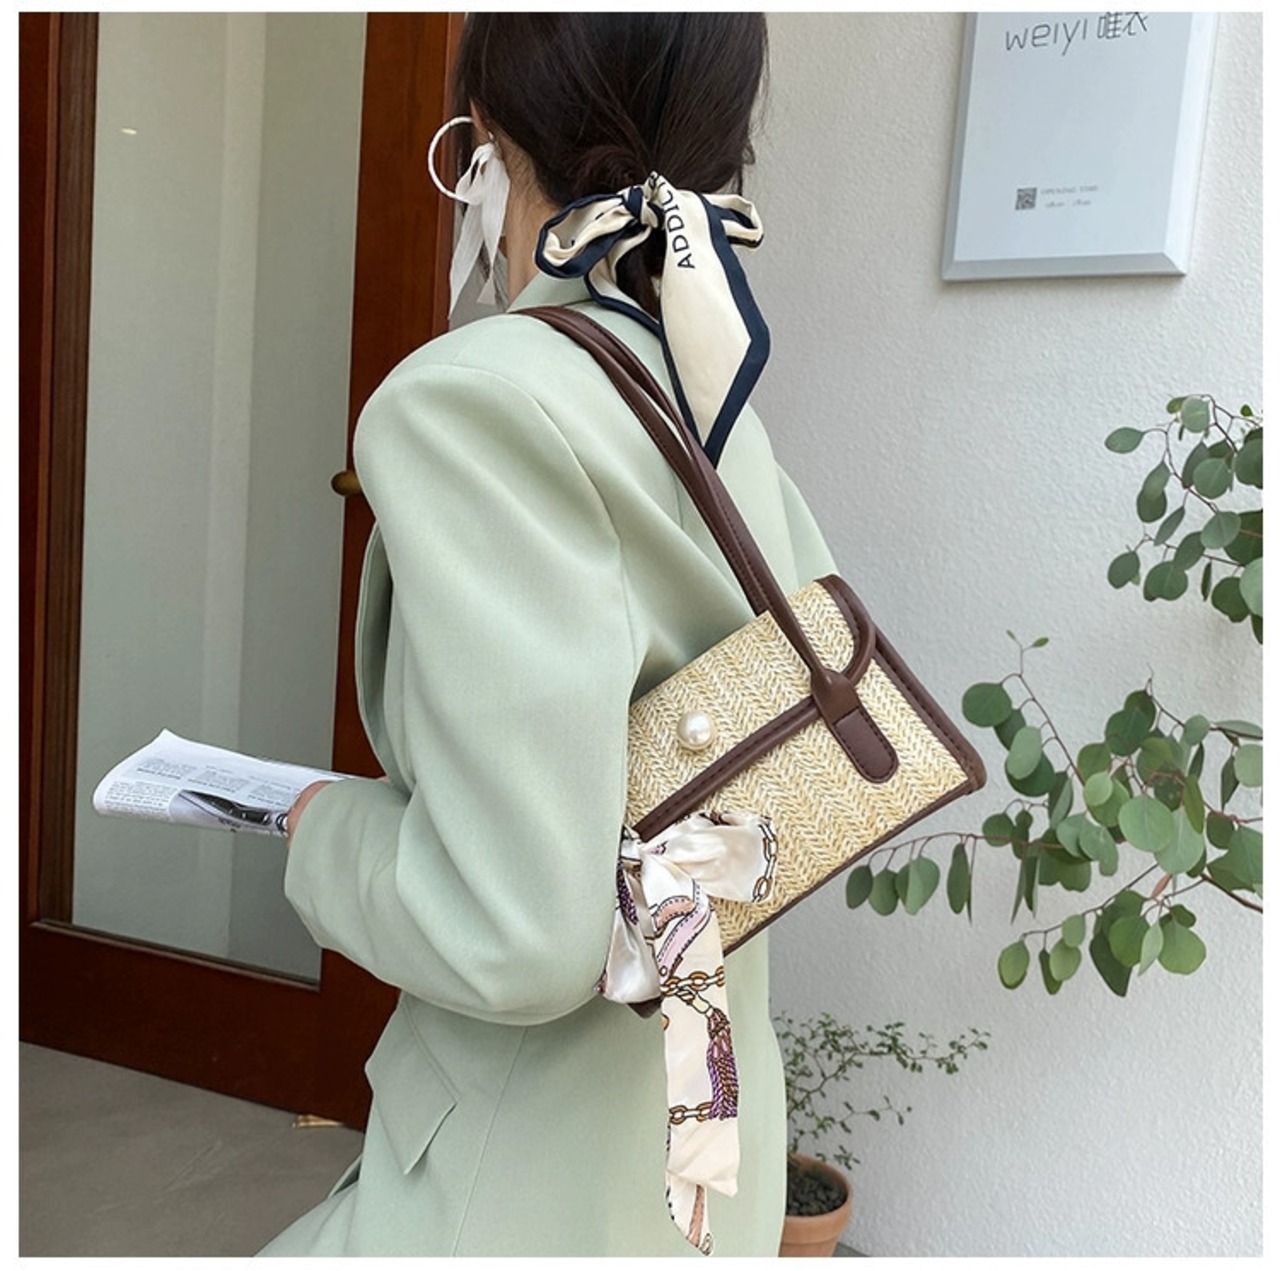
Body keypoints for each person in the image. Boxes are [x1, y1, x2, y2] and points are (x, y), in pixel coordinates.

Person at [257, 13, 837, 1258]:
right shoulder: (705, 388)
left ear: (488, 139)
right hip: (696, 1138)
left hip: (516, 1172)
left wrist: (322, 827)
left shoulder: (476, 398)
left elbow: (516, 928)